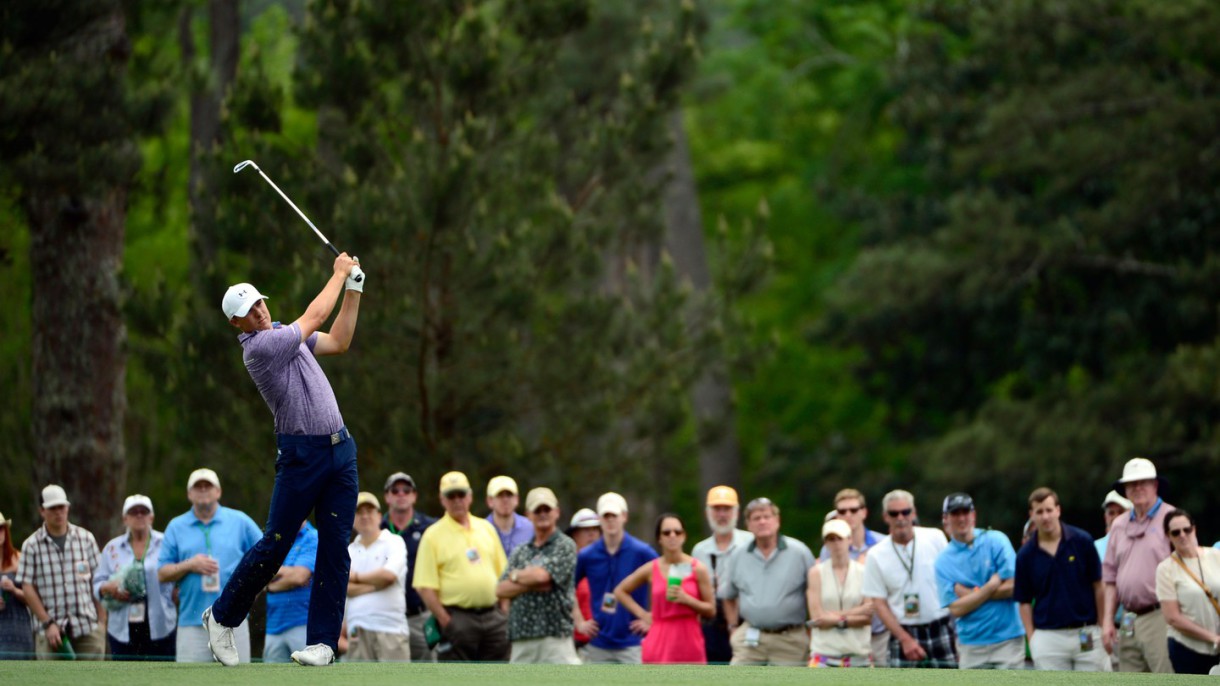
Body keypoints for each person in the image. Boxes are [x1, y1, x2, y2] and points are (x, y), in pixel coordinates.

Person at [200, 255, 365, 668]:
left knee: (334, 548)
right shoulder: (261, 348)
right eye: (247, 313)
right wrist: (338, 273)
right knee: (276, 544)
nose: (258, 313)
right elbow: (314, 314)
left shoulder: (282, 334)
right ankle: (221, 616)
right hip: (301, 456)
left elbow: (339, 341)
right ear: (235, 325)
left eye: (258, 304)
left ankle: (323, 644)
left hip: (340, 451)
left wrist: (354, 290)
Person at [158, 468, 262, 663]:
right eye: (198, 487)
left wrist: (252, 591)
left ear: (218, 492)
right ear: (189, 494)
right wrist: (190, 565)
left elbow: (267, 558)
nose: (203, 490)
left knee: (239, 682)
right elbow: (162, 573)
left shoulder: (240, 521)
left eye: (208, 486)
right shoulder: (176, 526)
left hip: (234, 621)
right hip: (192, 623)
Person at [413, 472, 509, 662]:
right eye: (451, 496)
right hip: (458, 618)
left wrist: (504, 612)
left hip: (493, 618)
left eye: (461, 494)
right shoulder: (433, 535)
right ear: (442, 500)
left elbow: (503, 574)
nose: (457, 500)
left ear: (470, 496)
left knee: (499, 677)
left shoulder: (486, 528)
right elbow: (424, 586)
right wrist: (445, 621)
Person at [1013, 487, 1108, 671]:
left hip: (1086, 633)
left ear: (1058, 510)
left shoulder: (1082, 541)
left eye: (1049, 510)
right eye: (1039, 512)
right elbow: (1023, 602)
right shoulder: (1025, 555)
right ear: (1031, 515)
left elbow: (1099, 585)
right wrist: (1032, 638)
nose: (1045, 516)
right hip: (1048, 638)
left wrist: (1102, 625)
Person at [861, 489, 955, 669]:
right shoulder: (875, 554)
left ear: (914, 513)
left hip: (940, 626)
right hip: (903, 631)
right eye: (894, 513)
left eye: (905, 512)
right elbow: (878, 603)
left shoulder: (935, 537)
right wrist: (905, 639)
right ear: (885, 517)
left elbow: (951, 580)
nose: (900, 517)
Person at [719, 497, 815, 666]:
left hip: (789, 639)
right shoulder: (738, 555)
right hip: (750, 638)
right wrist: (733, 627)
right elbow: (728, 595)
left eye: (767, 516)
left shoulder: (799, 552)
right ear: (748, 525)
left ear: (777, 521)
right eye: (756, 518)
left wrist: (813, 630)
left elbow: (815, 591)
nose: (762, 522)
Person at [935, 492, 1024, 669]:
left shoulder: (996, 540)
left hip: (1008, 640)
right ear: (946, 519)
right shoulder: (942, 561)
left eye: (965, 512)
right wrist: (991, 585)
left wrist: (970, 594)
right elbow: (957, 609)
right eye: (955, 514)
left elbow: (1016, 586)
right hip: (971, 646)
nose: (962, 518)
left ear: (973, 515)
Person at [1101, 457, 1174, 672]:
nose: (1138, 487)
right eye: (1132, 483)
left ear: (1155, 485)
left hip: (1161, 614)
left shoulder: (1172, 518)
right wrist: (1107, 622)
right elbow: (1110, 577)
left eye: (1144, 482)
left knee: (1166, 679)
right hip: (1127, 618)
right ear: (1125, 489)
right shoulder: (1119, 525)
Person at [16, 485, 105, 660]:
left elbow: (98, 580)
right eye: (52, 508)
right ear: (42, 511)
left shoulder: (86, 539)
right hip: (50, 631)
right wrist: (47, 622)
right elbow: (27, 587)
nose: (58, 512)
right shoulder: (31, 545)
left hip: (87, 627)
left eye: (61, 507)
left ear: (68, 508)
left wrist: (102, 621)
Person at [496, 487, 581, 664]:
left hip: (555, 637)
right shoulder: (520, 551)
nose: (543, 514)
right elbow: (500, 589)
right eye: (537, 510)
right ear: (528, 514)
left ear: (557, 512)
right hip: (522, 638)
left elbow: (543, 577)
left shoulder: (565, 545)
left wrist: (516, 576)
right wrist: (529, 578)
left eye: (547, 509)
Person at [615, 513, 714, 664]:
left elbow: (711, 610)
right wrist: (643, 614)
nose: (672, 536)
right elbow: (620, 591)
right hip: (659, 639)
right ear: (659, 538)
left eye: (677, 532)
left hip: (689, 638)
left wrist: (687, 600)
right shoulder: (651, 568)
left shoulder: (698, 568)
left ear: (684, 536)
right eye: (666, 533)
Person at [574, 492, 658, 664]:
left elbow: (663, 583)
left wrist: (652, 618)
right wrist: (579, 622)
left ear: (624, 517)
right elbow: (567, 587)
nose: (610, 520)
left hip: (633, 643)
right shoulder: (587, 555)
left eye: (614, 515)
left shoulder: (642, 551)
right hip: (598, 644)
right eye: (606, 516)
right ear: (599, 519)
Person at [94, 495, 176, 660]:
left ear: (151, 517)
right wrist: (107, 588)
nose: (139, 515)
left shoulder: (166, 542)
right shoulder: (112, 548)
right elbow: (97, 582)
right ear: (125, 518)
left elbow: (177, 575)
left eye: (144, 511)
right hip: (122, 626)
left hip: (160, 624)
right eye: (133, 512)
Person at [818, 488, 888, 666]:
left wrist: (833, 616)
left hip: (880, 633)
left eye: (853, 510)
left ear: (864, 512)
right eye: (842, 511)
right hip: (846, 638)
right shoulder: (828, 550)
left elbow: (873, 605)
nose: (848, 515)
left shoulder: (883, 545)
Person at [690, 485, 753, 664]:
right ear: (707, 513)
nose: (722, 515)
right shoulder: (700, 550)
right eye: (717, 509)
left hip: (744, 619)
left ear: (737, 513)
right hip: (711, 623)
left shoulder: (749, 542)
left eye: (727, 509)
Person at [345, 492, 410, 662]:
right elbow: (344, 588)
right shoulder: (349, 551)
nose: (365, 516)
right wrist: (376, 584)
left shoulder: (394, 541)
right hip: (357, 632)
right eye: (359, 512)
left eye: (370, 511)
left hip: (391, 630)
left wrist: (356, 577)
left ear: (379, 516)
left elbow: (388, 576)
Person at [1155, 509, 1220, 674]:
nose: (1183, 535)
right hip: (1187, 648)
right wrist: (1213, 638)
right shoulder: (1165, 569)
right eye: (1176, 532)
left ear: (1194, 529)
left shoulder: (1216, 556)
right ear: (1168, 536)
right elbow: (1173, 618)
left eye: (1187, 529)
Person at [381, 472, 437, 662]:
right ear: (387, 496)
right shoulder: (376, 529)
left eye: (406, 490)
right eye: (395, 490)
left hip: (420, 616)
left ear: (414, 495)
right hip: (386, 619)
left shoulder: (431, 527)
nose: (401, 494)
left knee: (429, 677)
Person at [806, 519, 873, 668]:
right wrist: (856, 612)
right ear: (825, 543)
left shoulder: (864, 571)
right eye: (831, 539)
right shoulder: (816, 573)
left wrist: (832, 618)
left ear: (849, 539)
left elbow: (868, 617)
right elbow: (817, 619)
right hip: (824, 653)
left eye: (839, 538)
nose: (836, 543)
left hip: (858, 653)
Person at [263, 520, 317, 663]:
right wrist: (287, 574)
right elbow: (259, 572)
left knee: (307, 680)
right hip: (273, 625)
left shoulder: (312, 537)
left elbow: (299, 576)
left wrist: (269, 586)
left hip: (303, 624)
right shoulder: (274, 538)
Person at [0, 511, 34, 660]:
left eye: (1, 528)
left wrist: (14, 590)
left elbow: (34, 600)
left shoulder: (19, 559)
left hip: (17, 628)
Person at [566, 508, 601, 650]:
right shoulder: (567, 564)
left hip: (601, 642)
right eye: (585, 529)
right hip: (572, 643)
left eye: (595, 529)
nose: (591, 534)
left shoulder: (607, 564)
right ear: (575, 534)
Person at [486, 476, 534, 558]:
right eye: (500, 495)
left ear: (517, 499)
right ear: (490, 501)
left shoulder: (530, 528)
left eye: (509, 495)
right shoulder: (482, 530)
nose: (505, 500)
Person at [1095, 490, 1133, 563]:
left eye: (1121, 512)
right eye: (1111, 513)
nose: (1116, 518)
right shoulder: (1095, 547)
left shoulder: (1139, 545)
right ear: (1105, 517)